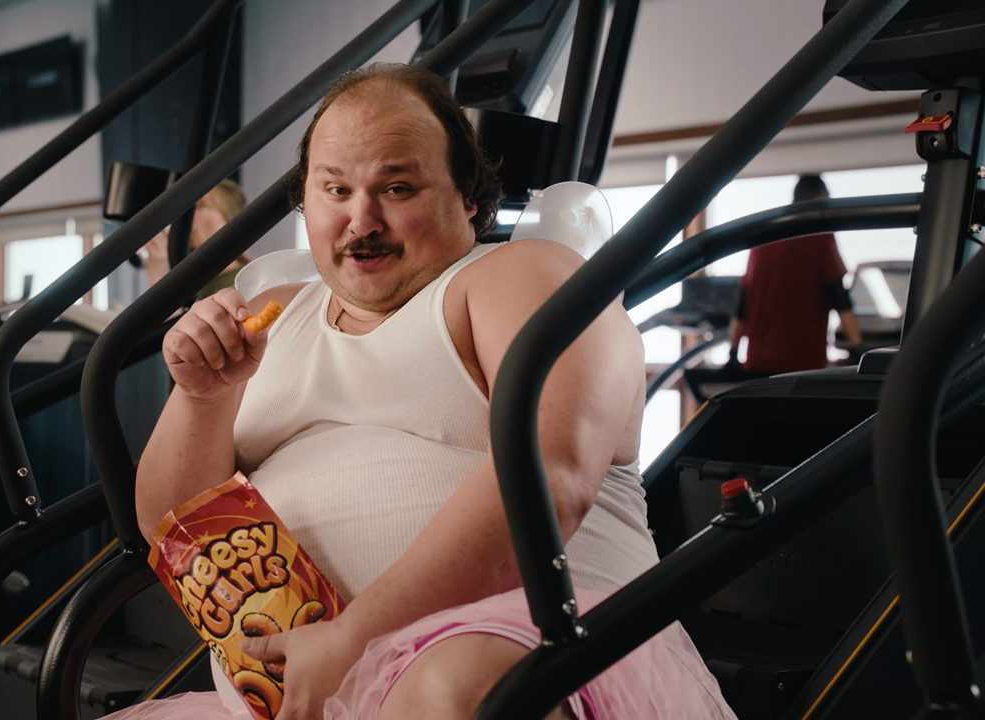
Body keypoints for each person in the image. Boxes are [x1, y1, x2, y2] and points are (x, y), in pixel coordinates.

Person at [123, 64, 735, 720]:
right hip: (294, 694)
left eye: (397, 187)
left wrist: (355, 641)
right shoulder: (272, 310)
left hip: (517, 651)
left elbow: (552, 476)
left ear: (467, 194)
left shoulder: (520, 275)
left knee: (455, 689)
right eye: (336, 189)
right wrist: (202, 397)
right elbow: (177, 526)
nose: (361, 220)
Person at [727, 175, 864, 374]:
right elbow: (840, 298)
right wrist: (858, 350)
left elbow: (742, 305)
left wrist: (732, 353)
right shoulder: (818, 235)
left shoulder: (763, 238)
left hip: (756, 365)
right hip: (799, 368)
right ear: (820, 198)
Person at [144, 178, 253, 297]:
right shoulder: (194, 285)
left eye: (202, 205)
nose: (187, 215)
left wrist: (158, 278)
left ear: (232, 219)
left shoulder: (246, 284)